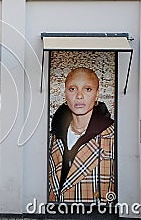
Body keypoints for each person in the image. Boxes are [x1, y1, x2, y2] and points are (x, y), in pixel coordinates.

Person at [48, 67, 115, 203]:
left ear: (97, 95)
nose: (79, 95)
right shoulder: (52, 137)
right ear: (65, 94)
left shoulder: (114, 138)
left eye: (87, 89)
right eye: (72, 89)